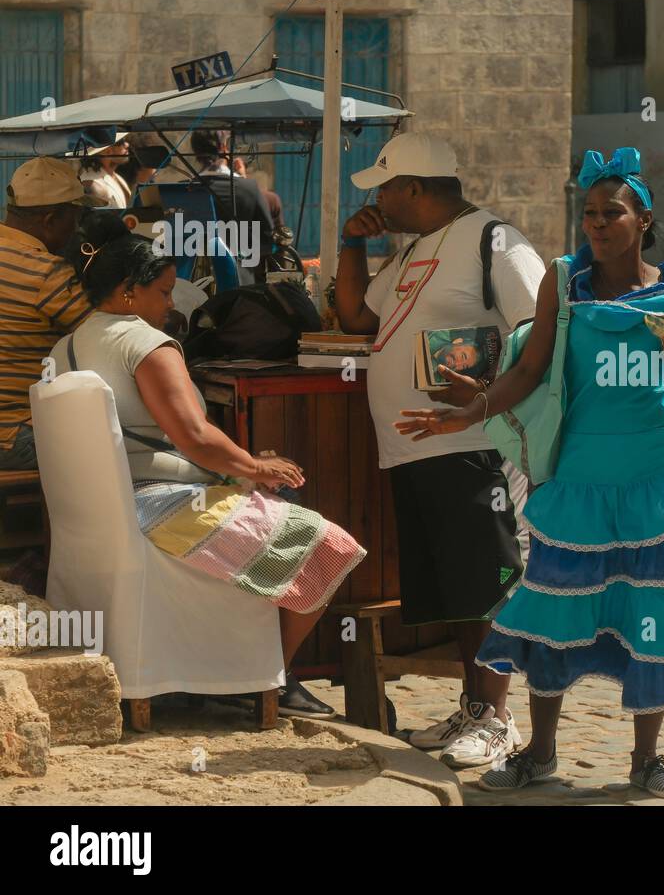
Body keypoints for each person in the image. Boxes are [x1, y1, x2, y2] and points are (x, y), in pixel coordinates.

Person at [393, 146, 664, 799]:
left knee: (654, 617)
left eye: (610, 212)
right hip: (576, 485)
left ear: (642, 218)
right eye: (588, 212)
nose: (595, 223)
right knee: (553, 620)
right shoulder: (563, 280)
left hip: (649, 485)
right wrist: (469, 411)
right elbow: (529, 372)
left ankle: (648, 760)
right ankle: (539, 754)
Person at [48, 213, 363, 716]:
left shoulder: (64, 348)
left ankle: (227, 668)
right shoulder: (146, 344)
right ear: (129, 292)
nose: (172, 305)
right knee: (327, 544)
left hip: (104, 513)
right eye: (164, 292)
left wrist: (240, 465)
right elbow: (194, 436)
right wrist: (256, 467)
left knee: (270, 501)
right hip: (157, 508)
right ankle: (267, 676)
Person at [333, 131, 545, 769]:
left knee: (488, 584)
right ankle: (474, 705)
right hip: (411, 450)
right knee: (456, 589)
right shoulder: (412, 250)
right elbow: (355, 318)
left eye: (386, 189)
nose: (381, 202)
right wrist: (352, 242)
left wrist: (484, 395)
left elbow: (540, 330)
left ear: (415, 189)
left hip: (474, 444)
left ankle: (498, 716)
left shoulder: (495, 243)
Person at [0, 157, 96, 470]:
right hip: (13, 438)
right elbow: (101, 336)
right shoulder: (46, 273)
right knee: (118, 444)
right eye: (75, 217)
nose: (77, 229)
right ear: (51, 219)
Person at [189, 130, 276, 282]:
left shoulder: (183, 190)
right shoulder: (248, 188)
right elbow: (267, 240)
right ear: (223, 147)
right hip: (240, 281)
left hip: (193, 284)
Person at [78, 134, 133, 209]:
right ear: (106, 151)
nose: (127, 144)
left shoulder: (114, 176)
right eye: (121, 142)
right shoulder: (92, 183)